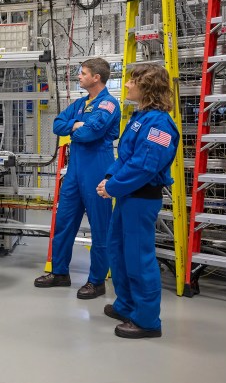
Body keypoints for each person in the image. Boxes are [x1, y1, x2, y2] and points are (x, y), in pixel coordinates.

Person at [96, 64, 179, 339]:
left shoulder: (160, 123)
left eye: (132, 81)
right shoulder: (138, 118)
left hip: (141, 198)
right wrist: (110, 179)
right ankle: (127, 305)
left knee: (138, 258)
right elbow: (125, 158)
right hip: (126, 196)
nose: (128, 85)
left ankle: (146, 320)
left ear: (147, 86)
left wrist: (114, 187)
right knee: (118, 252)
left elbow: (145, 166)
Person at [34, 58, 120, 299]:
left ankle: (96, 281)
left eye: (83, 73)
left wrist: (75, 129)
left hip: (98, 168)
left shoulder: (109, 104)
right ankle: (60, 272)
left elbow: (90, 133)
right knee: (64, 222)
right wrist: (76, 125)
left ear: (96, 78)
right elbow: (57, 125)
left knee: (100, 228)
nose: (79, 77)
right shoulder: (81, 103)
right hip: (75, 171)